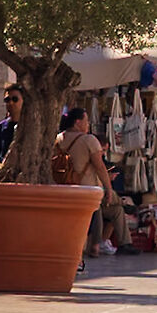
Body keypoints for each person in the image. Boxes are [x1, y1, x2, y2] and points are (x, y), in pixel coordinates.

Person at [56, 107, 120, 264]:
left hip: (62, 186)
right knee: (94, 215)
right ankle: (94, 247)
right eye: (86, 120)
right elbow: (99, 166)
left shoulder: (58, 138)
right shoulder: (89, 140)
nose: (88, 124)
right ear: (78, 122)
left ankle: (73, 251)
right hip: (85, 188)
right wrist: (108, 187)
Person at [0, 86, 24, 164]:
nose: (10, 103)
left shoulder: (31, 126)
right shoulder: (1, 127)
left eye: (15, 99)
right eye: (7, 100)